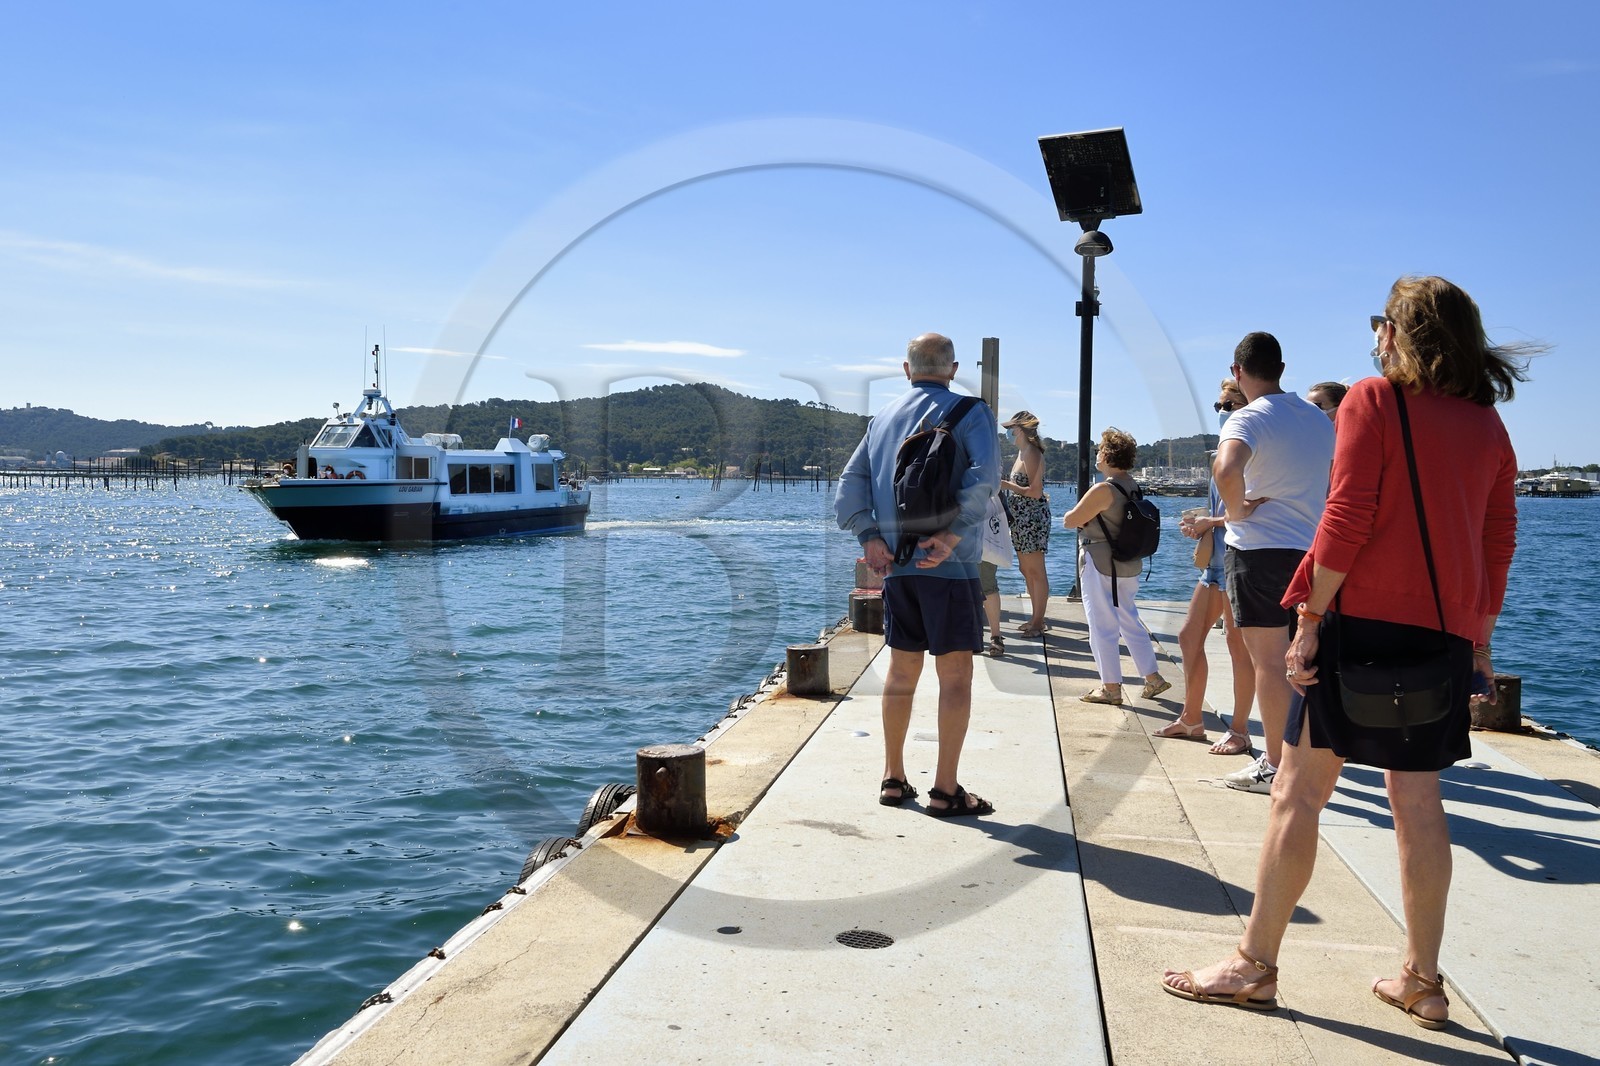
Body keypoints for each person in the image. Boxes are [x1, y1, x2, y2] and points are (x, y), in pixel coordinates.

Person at [1162, 275, 1527, 1028]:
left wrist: (1310, 617)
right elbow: (1497, 543)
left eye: (1380, 325)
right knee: (1418, 804)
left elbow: (1348, 514)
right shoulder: (1488, 425)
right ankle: (1423, 981)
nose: (1374, 337)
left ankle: (1254, 965)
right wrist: (1480, 640)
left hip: (1358, 625)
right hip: (1444, 636)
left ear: (1398, 331)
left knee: (1297, 792)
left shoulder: (1373, 399)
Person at [835, 332, 1000, 816]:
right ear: (952, 369)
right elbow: (984, 480)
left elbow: (850, 485)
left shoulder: (881, 419)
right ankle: (946, 790)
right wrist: (950, 535)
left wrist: (870, 537)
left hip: (899, 569)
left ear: (906, 370)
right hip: (951, 567)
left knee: (901, 670)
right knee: (955, 676)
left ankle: (893, 777)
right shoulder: (973, 412)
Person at [1213, 333, 1335, 794]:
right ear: (1282, 368)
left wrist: (1237, 511)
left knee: (1268, 663)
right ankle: (1307, 759)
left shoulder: (1247, 419)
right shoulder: (1319, 420)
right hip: (1313, 553)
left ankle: (1276, 765)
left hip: (1259, 552)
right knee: (1306, 661)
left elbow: (1226, 469)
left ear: (1237, 372)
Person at [1157, 380, 1255, 754]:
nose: (1222, 411)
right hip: (1215, 563)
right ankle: (1192, 719)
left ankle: (1241, 730)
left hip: (1236, 559)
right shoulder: (1223, 455)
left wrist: (1208, 524)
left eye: (1229, 404)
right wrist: (1202, 521)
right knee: (1187, 636)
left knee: (1237, 645)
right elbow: (1226, 510)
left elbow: (1248, 511)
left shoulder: (1250, 452)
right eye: (1219, 404)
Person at [1058, 427, 1169, 705]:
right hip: (1128, 563)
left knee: (1101, 625)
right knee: (1129, 619)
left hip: (1100, 563)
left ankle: (1111, 688)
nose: (1097, 455)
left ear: (1107, 454)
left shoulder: (1104, 488)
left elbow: (1071, 520)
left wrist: (1073, 517)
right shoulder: (1132, 486)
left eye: (1099, 450)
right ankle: (1152, 677)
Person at [999, 411, 1052, 637]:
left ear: (1020, 429)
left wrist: (1007, 486)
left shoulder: (1031, 453)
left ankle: (1038, 621)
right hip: (1020, 519)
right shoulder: (1021, 453)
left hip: (1032, 518)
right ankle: (1034, 618)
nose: (1009, 432)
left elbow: (1035, 491)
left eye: (1011, 428)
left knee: (1036, 570)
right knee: (1026, 569)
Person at [978, 492, 1013, 657]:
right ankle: (993, 636)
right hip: (964, 517)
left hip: (977, 518)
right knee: (984, 584)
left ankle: (995, 635)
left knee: (986, 584)